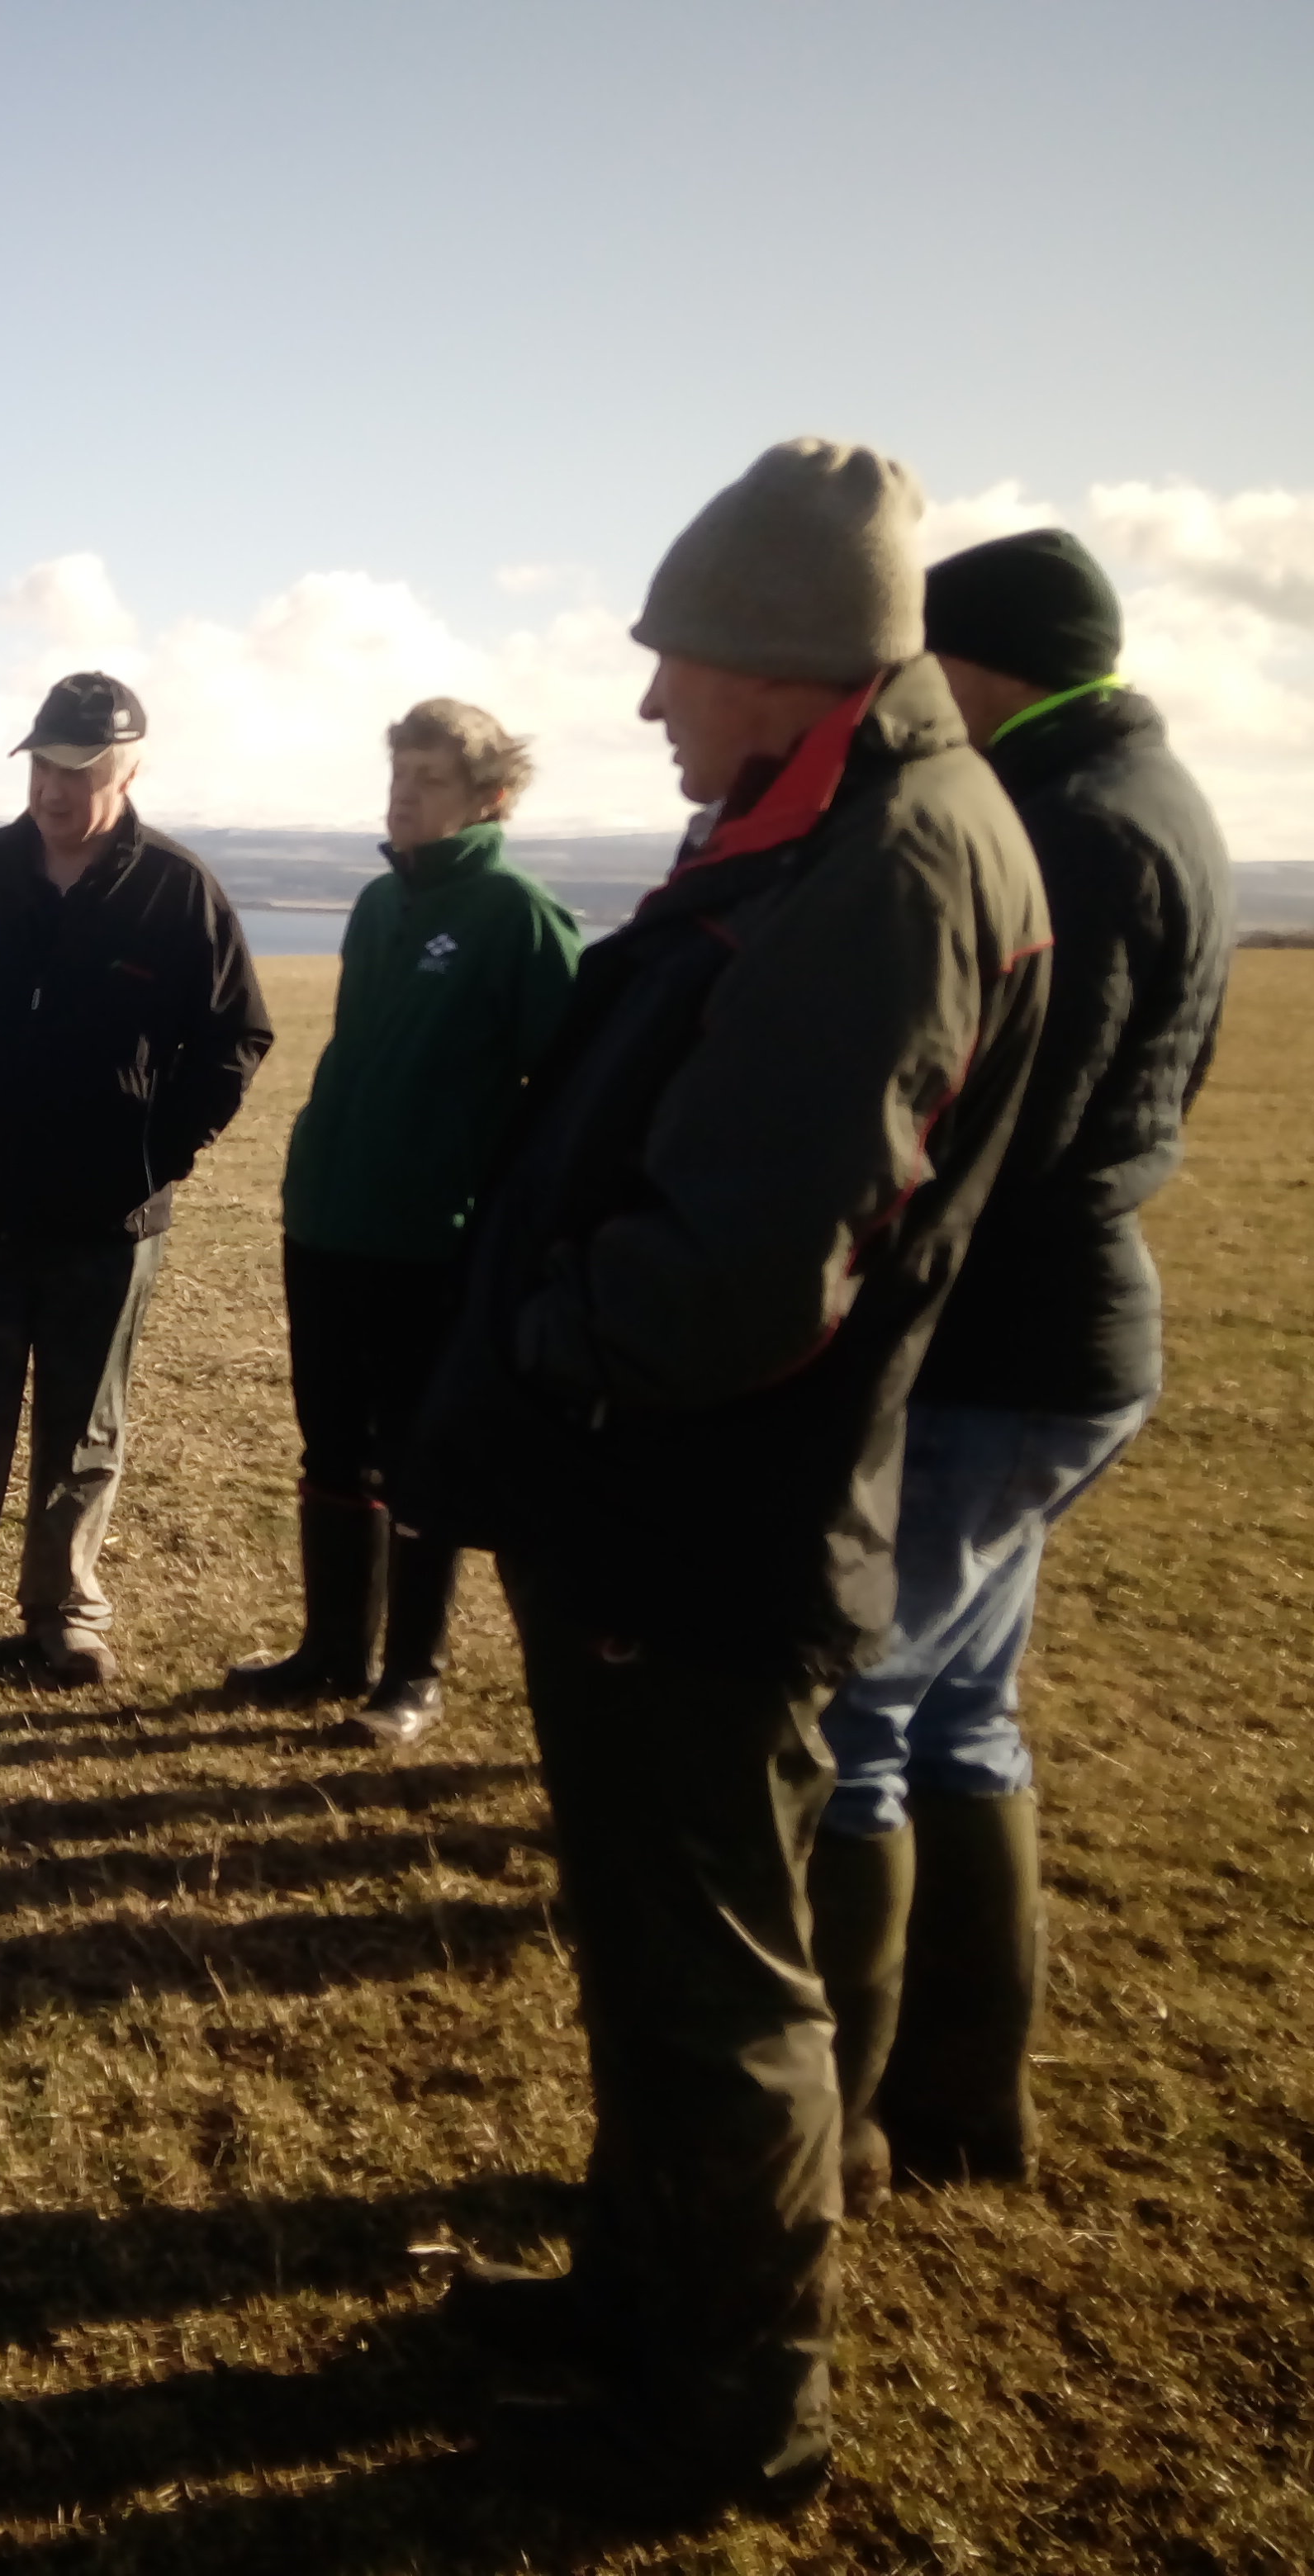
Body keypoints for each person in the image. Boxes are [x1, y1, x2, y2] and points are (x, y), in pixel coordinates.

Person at [412, 439, 1051, 2522]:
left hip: (704, 1512)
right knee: (657, 1954)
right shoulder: (824, 826)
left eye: (675, 657)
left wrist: (548, 1329)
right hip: (667, 1501)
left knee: (715, 1981)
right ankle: (635, 2302)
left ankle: (724, 2408)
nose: (648, 701)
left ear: (790, 664)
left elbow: (747, 1267)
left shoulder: (888, 869)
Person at [806, 530, 1232, 2215]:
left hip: (999, 1346)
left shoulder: (1065, 825)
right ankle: (965, 2102)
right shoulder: (1157, 797)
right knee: (964, 1714)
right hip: (1069, 1338)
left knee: (858, 1715)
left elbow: (1008, 1131)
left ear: (983, 666)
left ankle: (825, 2133)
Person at [0, 672, 272, 1697]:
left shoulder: (177, 889)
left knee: (85, 1428)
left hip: (108, 1223)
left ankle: (63, 1615)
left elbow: (232, 1040)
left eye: (78, 769)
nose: (55, 787)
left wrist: (152, 1159)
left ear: (127, 768)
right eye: (41, 765)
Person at [228, 699, 579, 1745]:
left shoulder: (516, 912)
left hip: (435, 1235)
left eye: (428, 779)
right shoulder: (379, 901)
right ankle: (329, 1650)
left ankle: (410, 1676)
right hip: (329, 1216)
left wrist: (497, 1207)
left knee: (420, 1451)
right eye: (398, 775)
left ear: (489, 795)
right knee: (331, 1442)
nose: (404, 795)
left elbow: (564, 1087)